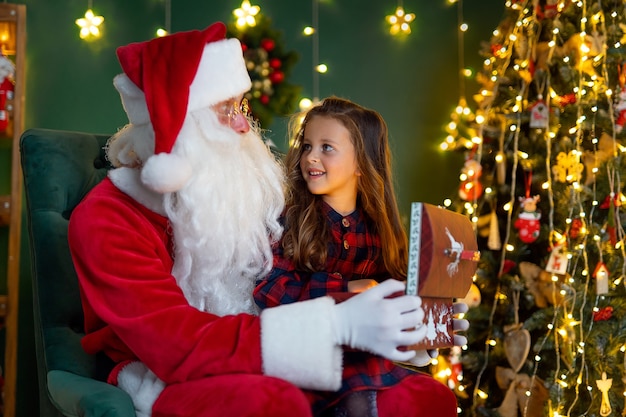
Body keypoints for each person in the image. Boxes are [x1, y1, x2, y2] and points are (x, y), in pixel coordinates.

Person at [68, 23, 440, 417]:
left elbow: (304, 281)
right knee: (273, 405)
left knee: (419, 398)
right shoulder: (107, 218)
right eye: (227, 110)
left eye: (242, 107)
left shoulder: (244, 194)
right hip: (165, 376)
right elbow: (176, 347)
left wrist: (404, 328)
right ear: (182, 125)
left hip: (271, 352)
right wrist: (334, 326)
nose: (245, 125)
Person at [254, 97, 468, 417]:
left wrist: (423, 318)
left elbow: (391, 290)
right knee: (358, 400)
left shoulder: (378, 227)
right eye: (307, 145)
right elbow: (269, 289)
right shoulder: (286, 219)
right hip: (304, 351)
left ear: (360, 162)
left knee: (435, 398)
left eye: (327, 147)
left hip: (362, 356)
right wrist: (349, 292)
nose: (310, 156)